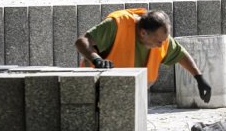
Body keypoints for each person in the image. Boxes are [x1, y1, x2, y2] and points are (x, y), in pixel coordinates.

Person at [74, 8, 211, 101]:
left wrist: (199, 77)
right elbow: (82, 42)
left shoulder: (160, 38)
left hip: (127, 97)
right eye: (158, 42)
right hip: (94, 90)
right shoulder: (117, 25)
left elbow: (180, 54)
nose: (161, 45)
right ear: (143, 33)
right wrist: (96, 59)